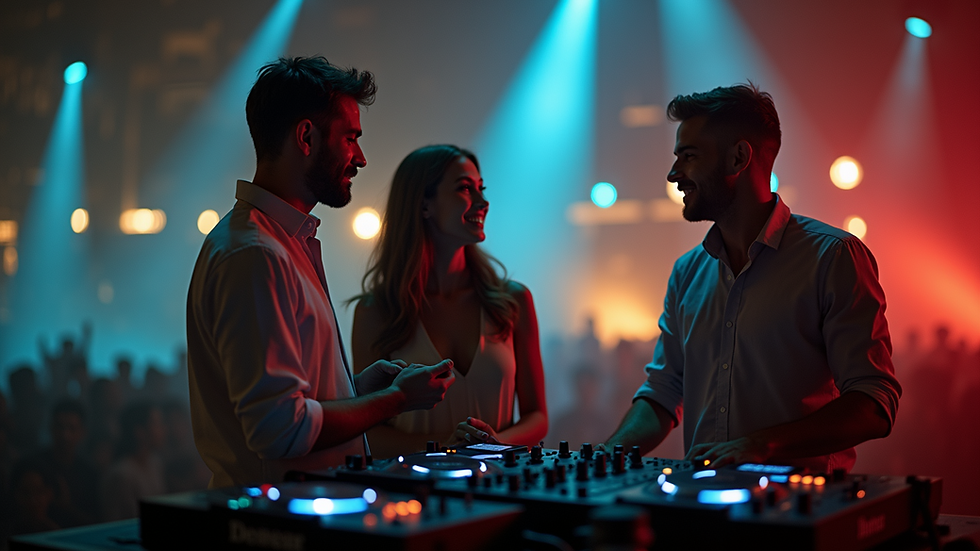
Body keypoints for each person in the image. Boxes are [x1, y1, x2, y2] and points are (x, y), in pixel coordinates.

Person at [603, 83, 901, 474]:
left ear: (738, 157)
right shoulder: (686, 272)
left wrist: (762, 445)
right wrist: (600, 458)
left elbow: (873, 401)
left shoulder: (833, 257)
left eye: (688, 156)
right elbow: (663, 393)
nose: (674, 173)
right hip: (705, 505)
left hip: (802, 515)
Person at [186, 57, 455, 488]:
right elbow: (281, 429)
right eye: (351, 138)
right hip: (278, 528)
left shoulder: (279, 242)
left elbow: (295, 404)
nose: (361, 158)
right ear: (306, 136)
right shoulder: (255, 254)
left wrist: (358, 390)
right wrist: (395, 400)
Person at [351, 145, 547, 458]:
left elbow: (537, 416)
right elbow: (367, 432)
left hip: (501, 489)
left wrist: (494, 443)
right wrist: (448, 446)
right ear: (423, 204)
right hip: (414, 496)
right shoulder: (375, 311)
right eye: (465, 189)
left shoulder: (514, 300)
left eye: (481, 189)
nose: (483, 202)